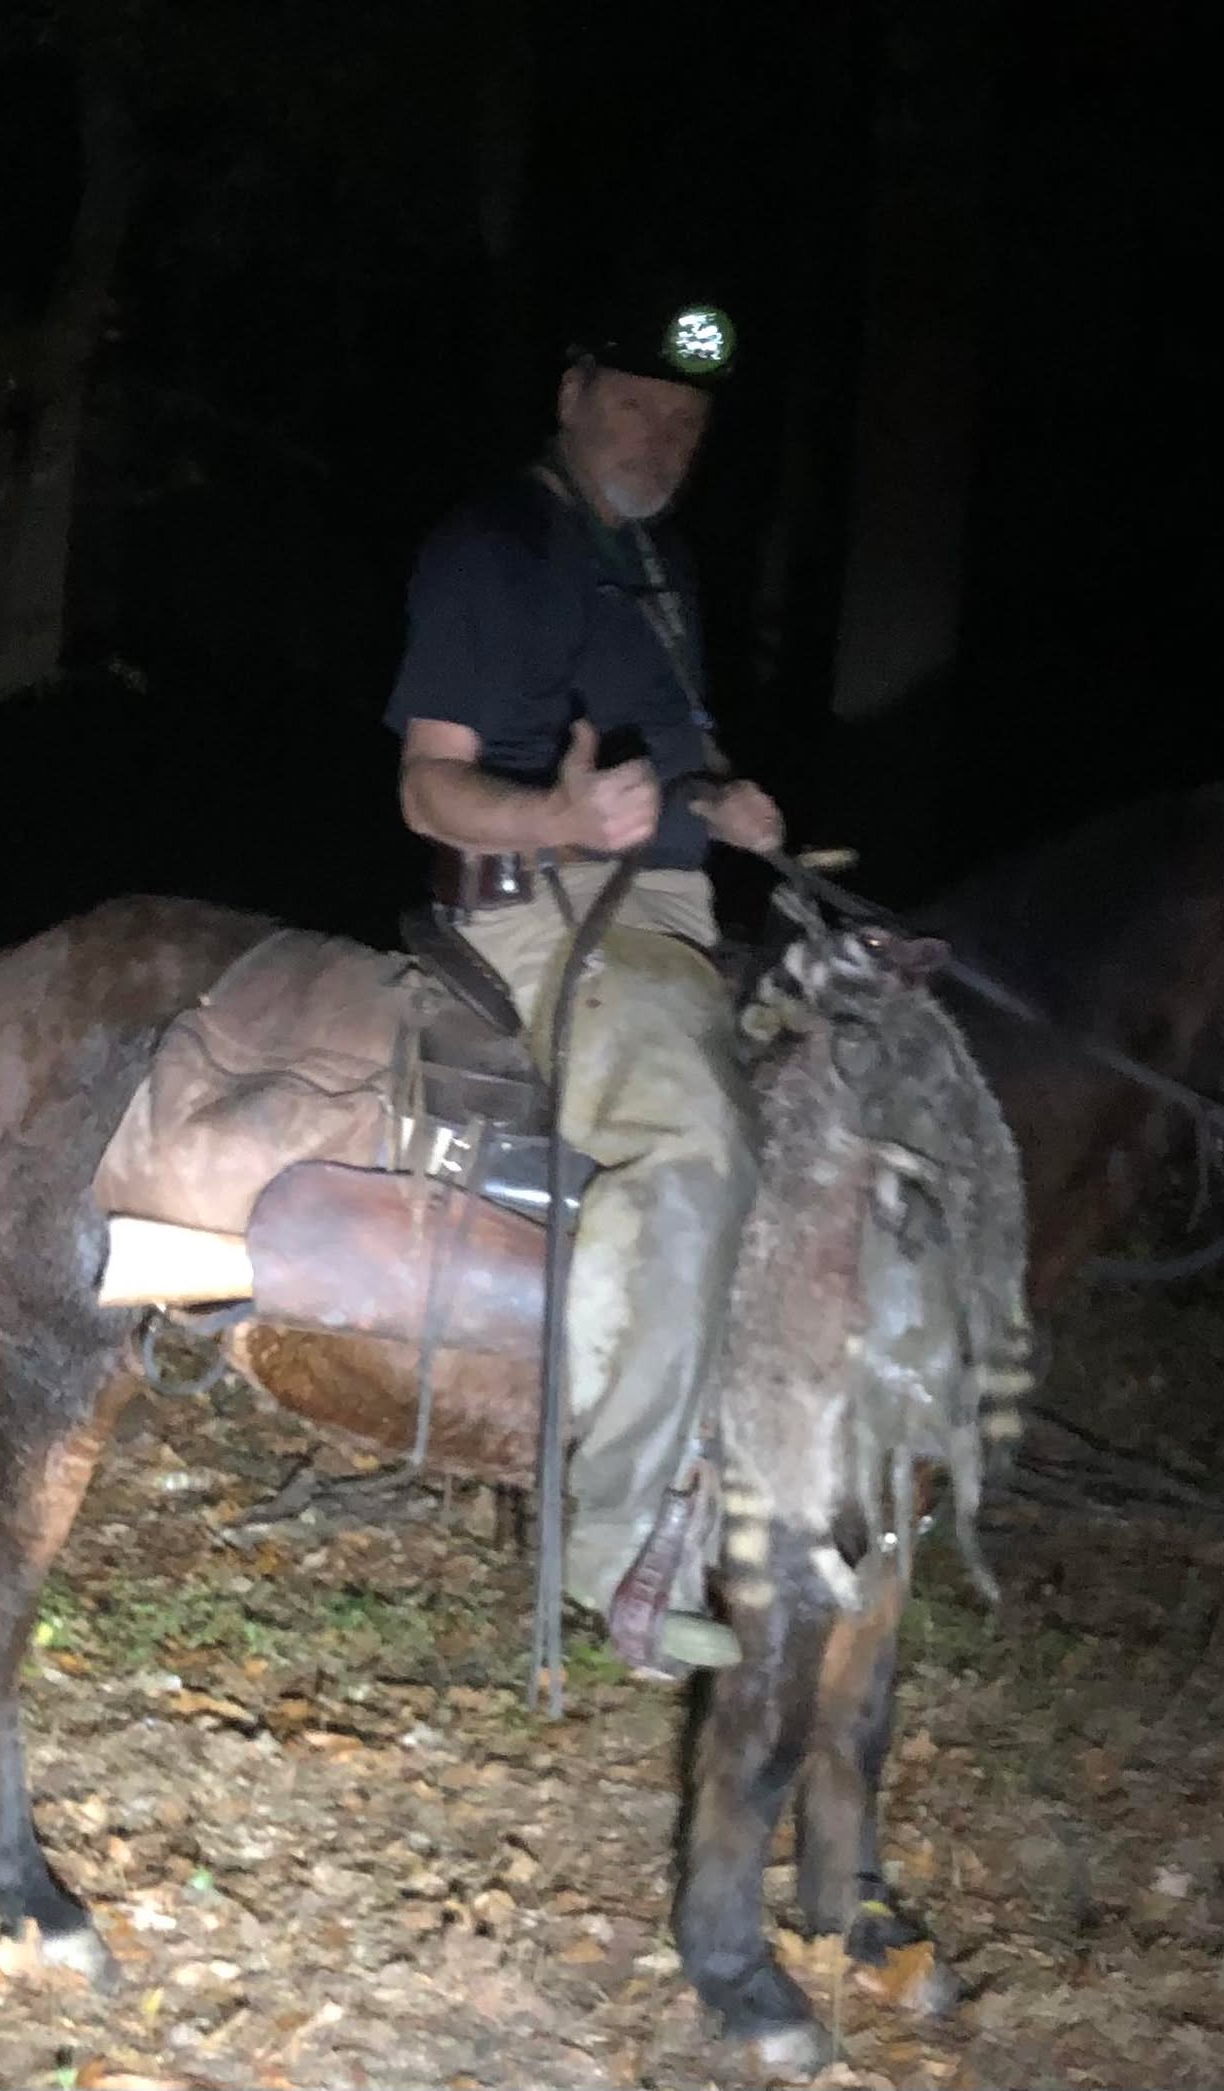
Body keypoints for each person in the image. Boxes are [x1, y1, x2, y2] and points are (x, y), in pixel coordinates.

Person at [383, 291, 785, 1676]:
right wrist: (558, 818)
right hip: (545, 907)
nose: (659, 438)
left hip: (669, 905)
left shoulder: (662, 562)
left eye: (686, 421)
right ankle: (609, 1540)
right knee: (695, 1148)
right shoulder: (494, 547)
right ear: (570, 397)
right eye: (633, 405)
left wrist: (718, 799)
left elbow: (669, 760)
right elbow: (428, 787)